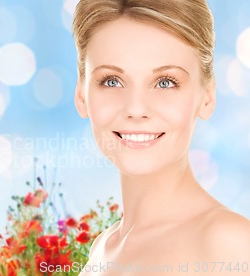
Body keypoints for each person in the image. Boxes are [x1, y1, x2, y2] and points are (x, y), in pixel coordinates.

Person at [72, 0, 250, 275]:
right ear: (82, 96)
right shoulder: (102, 249)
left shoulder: (231, 244)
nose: (135, 109)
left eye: (165, 82)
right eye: (111, 81)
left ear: (207, 97)